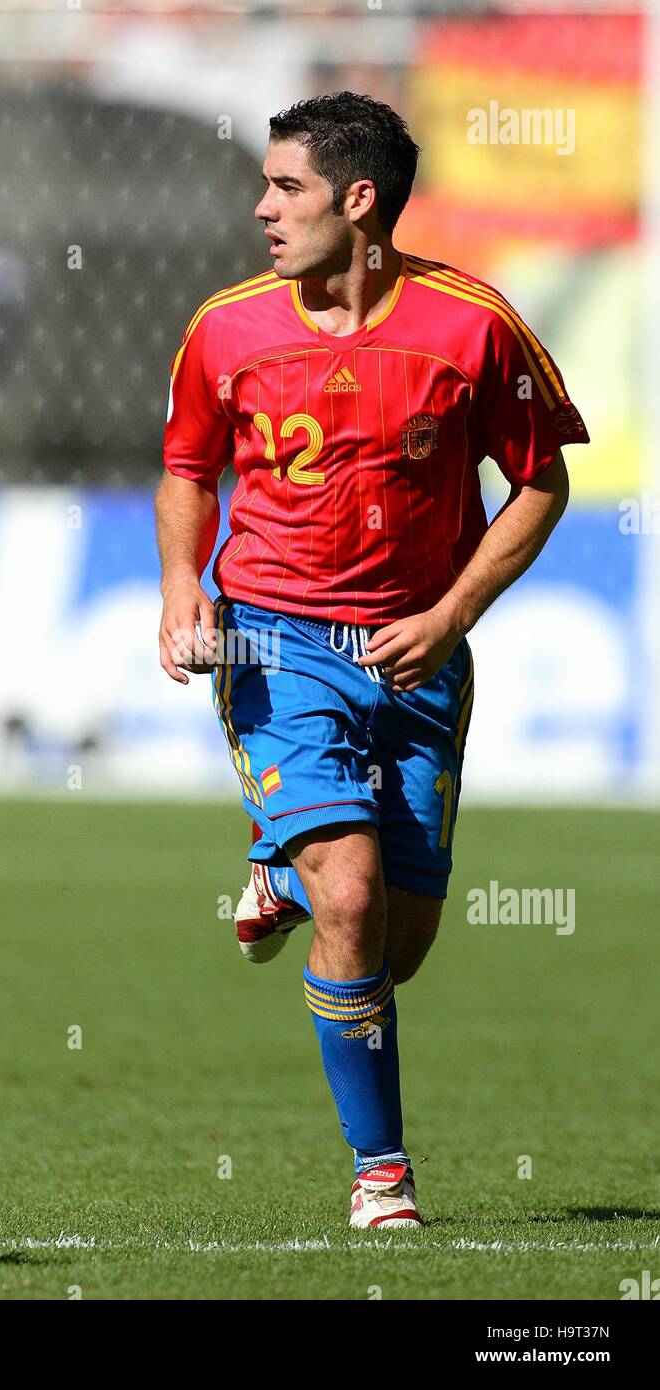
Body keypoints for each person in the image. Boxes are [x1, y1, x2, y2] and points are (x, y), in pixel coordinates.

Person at [155, 92, 588, 1228]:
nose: (260, 208)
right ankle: (380, 1174)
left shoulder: (470, 324)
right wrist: (175, 596)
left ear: (359, 201)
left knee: (396, 945)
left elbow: (539, 481)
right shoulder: (226, 327)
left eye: (283, 186)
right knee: (350, 899)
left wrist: (449, 618)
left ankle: (281, 869)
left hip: (416, 654)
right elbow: (187, 470)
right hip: (271, 637)